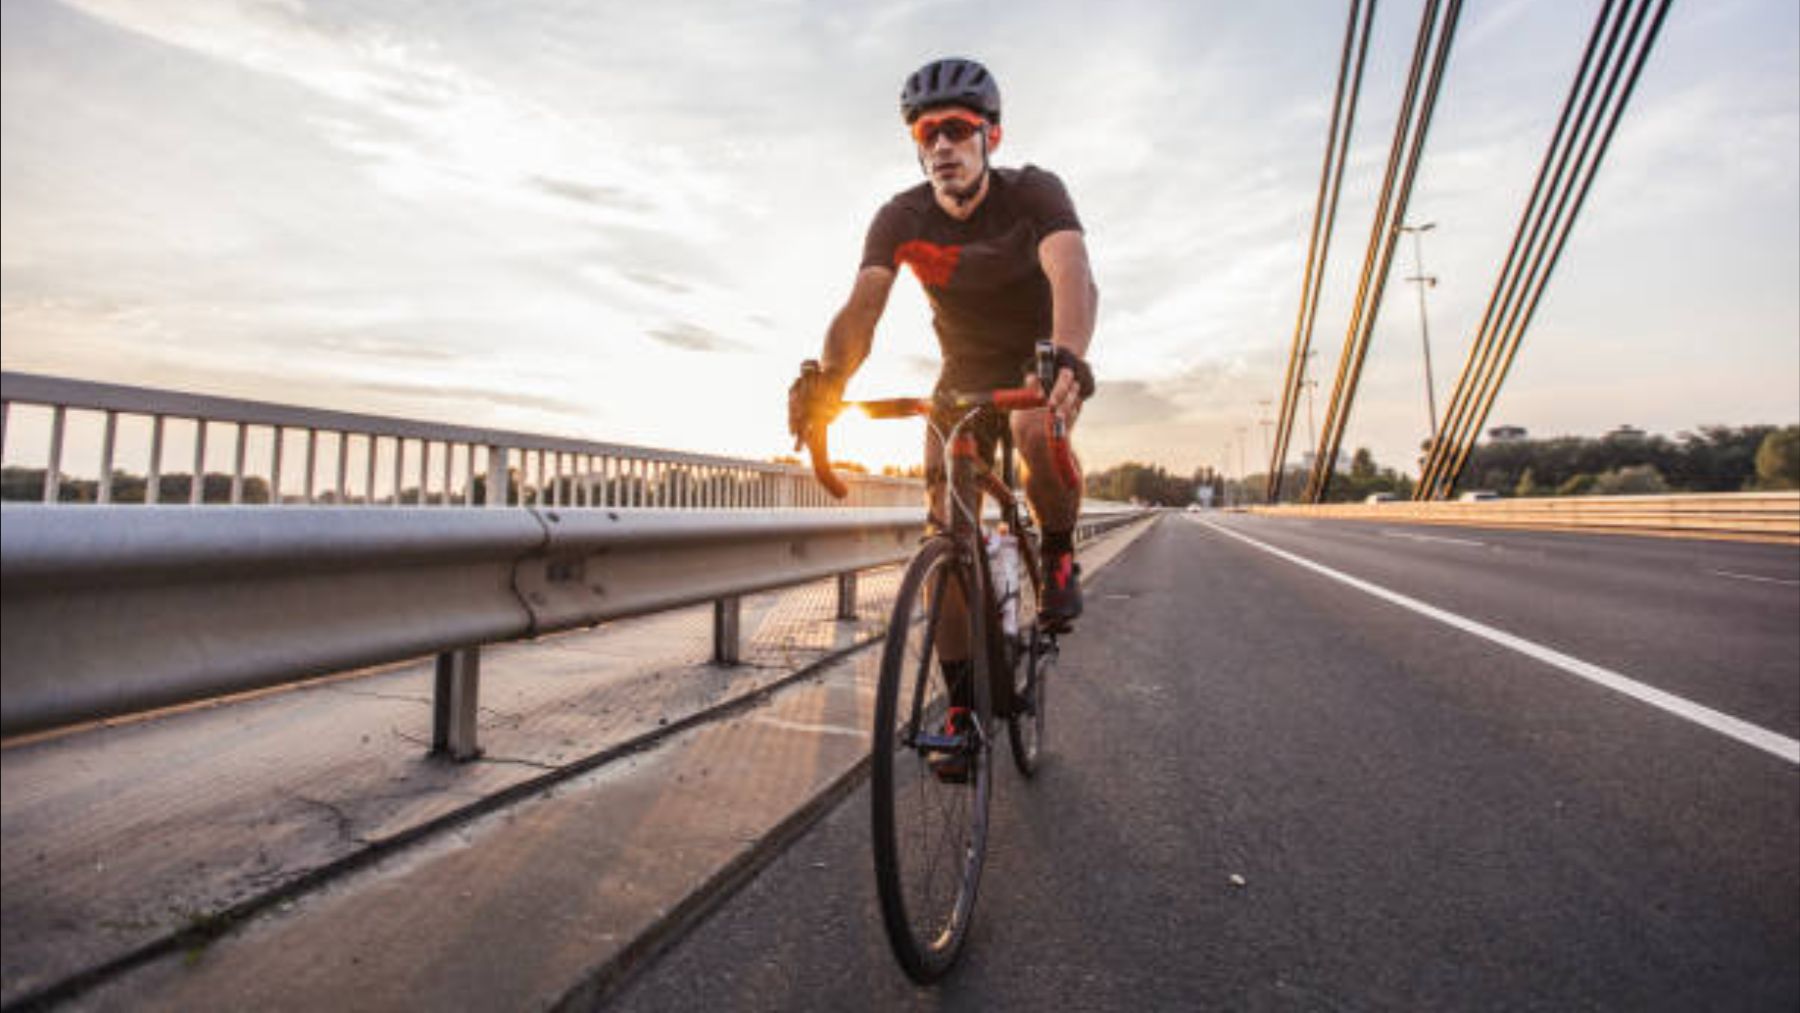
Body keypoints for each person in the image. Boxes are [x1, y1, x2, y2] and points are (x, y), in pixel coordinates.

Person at [788, 56, 1099, 630]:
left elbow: (1071, 272)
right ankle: (960, 713)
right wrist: (830, 382)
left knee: (1035, 429)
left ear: (991, 136)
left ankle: (1057, 553)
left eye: (957, 129)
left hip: (1040, 350)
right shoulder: (901, 217)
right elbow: (862, 307)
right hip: (966, 367)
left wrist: (1068, 358)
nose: (942, 146)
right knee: (945, 532)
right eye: (927, 134)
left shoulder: (1034, 192)